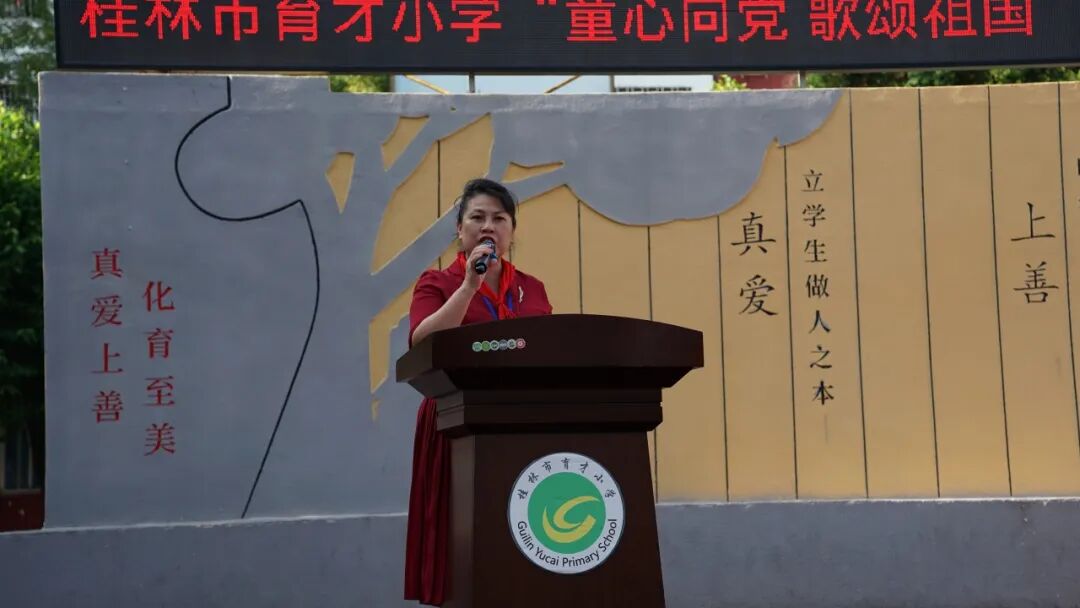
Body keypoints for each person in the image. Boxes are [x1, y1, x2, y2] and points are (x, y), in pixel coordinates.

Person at [403, 178, 553, 606]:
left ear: (512, 231)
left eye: (499, 218)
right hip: (455, 421)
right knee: (462, 535)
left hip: (521, 422)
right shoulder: (437, 282)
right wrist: (469, 286)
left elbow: (548, 347)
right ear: (460, 228)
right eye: (478, 217)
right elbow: (422, 342)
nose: (489, 226)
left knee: (519, 530)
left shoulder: (532, 288)